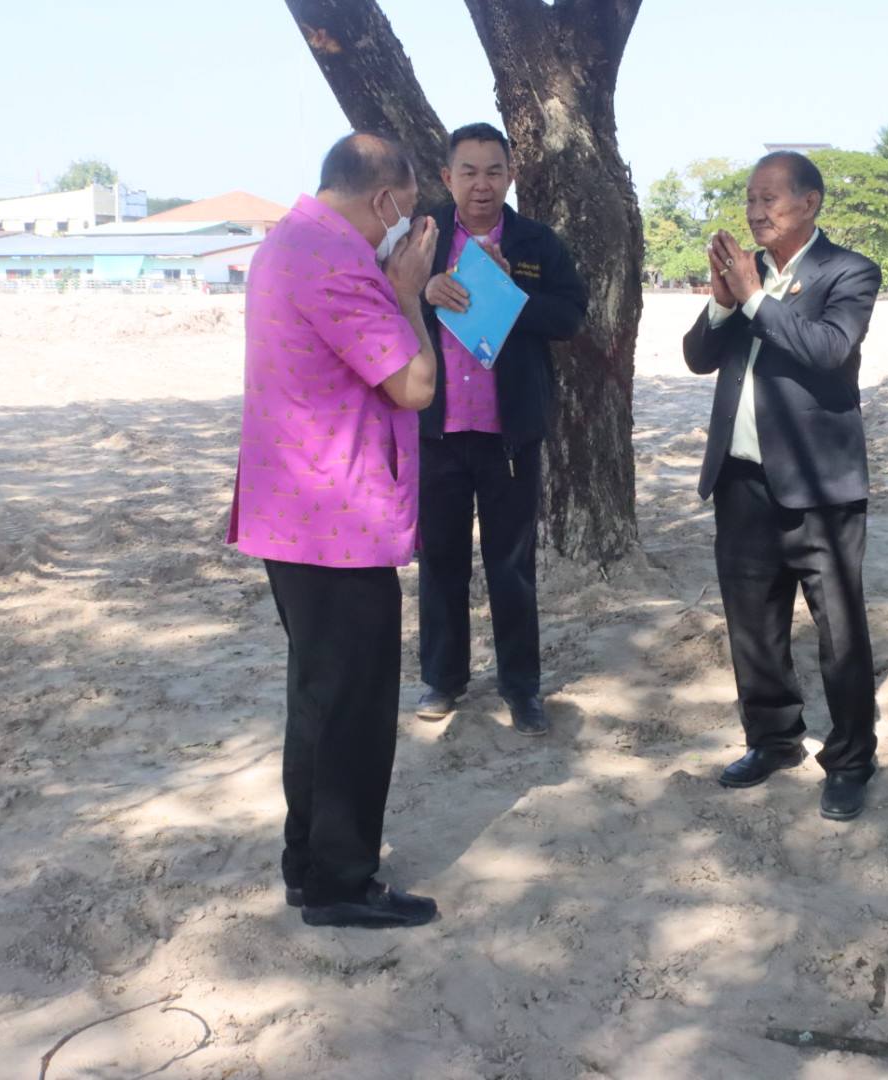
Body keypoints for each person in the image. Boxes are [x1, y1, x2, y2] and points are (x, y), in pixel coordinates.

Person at [227, 131, 441, 929]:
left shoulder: (288, 240)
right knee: (352, 707)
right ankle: (342, 882)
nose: (406, 229)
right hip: (337, 520)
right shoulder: (338, 261)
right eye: (406, 212)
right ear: (384, 200)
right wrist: (408, 294)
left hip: (295, 514)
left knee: (318, 698)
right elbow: (414, 384)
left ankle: (307, 863)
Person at [682, 151, 882, 821]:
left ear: (810, 202)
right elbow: (698, 357)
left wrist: (753, 298)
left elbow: (828, 348)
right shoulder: (749, 275)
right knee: (753, 623)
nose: (756, 211)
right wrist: (722, 303)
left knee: (840, 632)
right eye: (750, 198)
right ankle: (772, 739)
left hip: (820, 485)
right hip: (741, 478)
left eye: (770, 198)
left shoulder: (848, 271)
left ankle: (850, 761)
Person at [413, 123, 588, 736]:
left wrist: (510, 294)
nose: (481, 184)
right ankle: (443, 679)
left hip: (508, 432)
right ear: (447, 178)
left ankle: (521, 687)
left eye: (494, 171)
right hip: (436, 429)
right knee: (440, 562)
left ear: (511, 176)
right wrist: (422, 290)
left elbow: (570, 315)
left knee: (511, 566)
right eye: (468, 171)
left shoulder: (537, 241)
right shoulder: (422, 236)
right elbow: (383, 303)